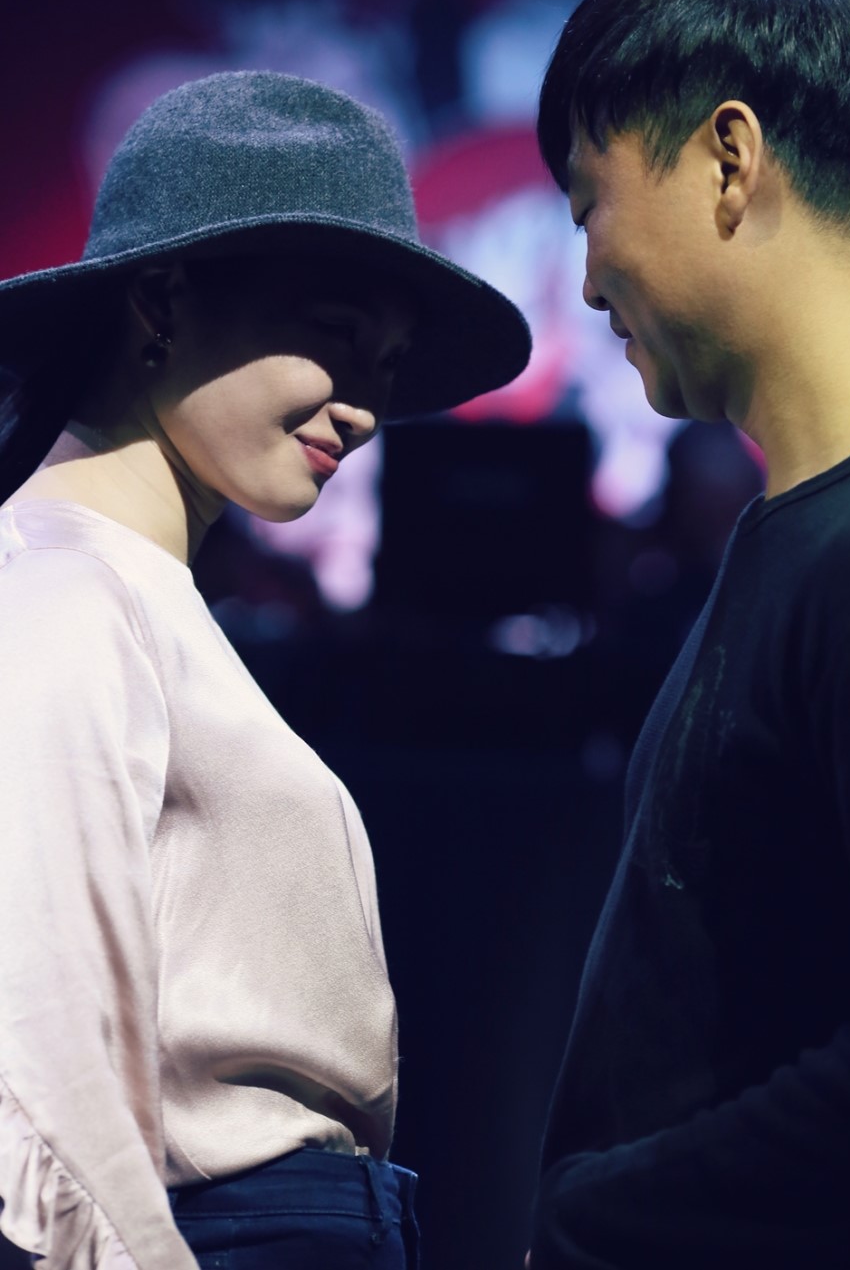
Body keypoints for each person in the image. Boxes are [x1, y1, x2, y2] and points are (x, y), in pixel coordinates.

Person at [0, 69, 530, 1269]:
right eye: (337, 334)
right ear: (161, 300)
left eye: (388, 363)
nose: (366, 408)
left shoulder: (122, 595)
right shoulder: (61, 594)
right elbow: (35, 1065)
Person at [528, 0, 850, 1267]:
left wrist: (596, 1220)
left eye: (589, 205)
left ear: (729, 157)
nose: (586, 278)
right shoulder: (834, 537)